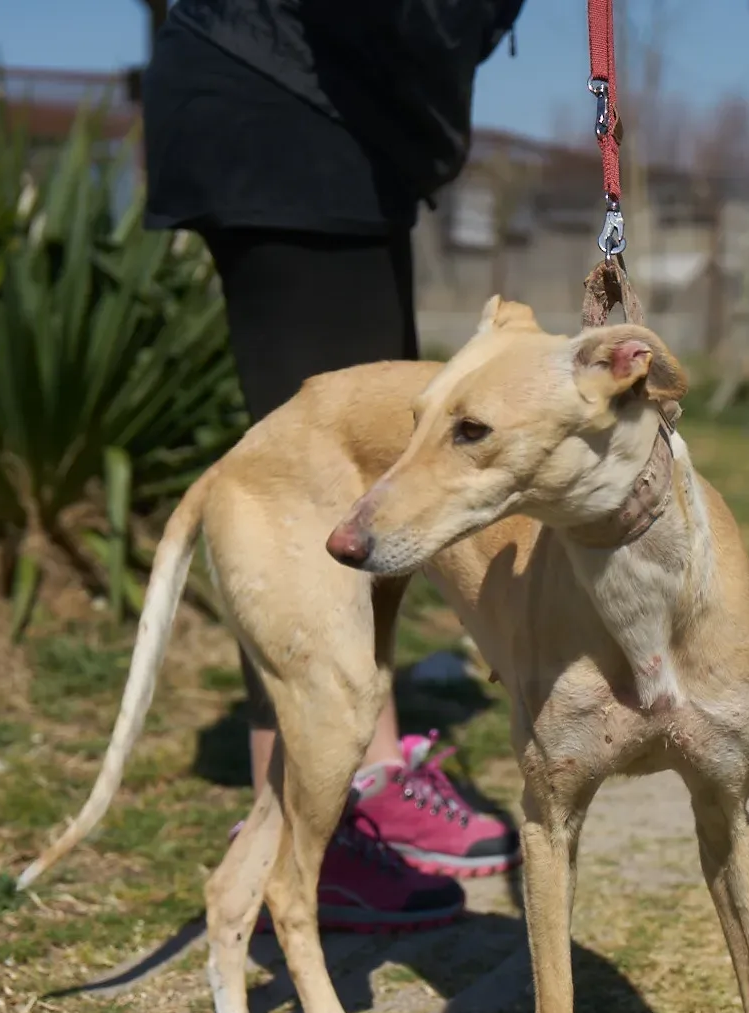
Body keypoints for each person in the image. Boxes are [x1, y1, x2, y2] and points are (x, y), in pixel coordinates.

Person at [141, 0, 527, 930]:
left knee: (377, 478)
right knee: (310, 497)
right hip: (288, 113)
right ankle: (317, 831)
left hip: (337, 126)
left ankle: (371, 775)